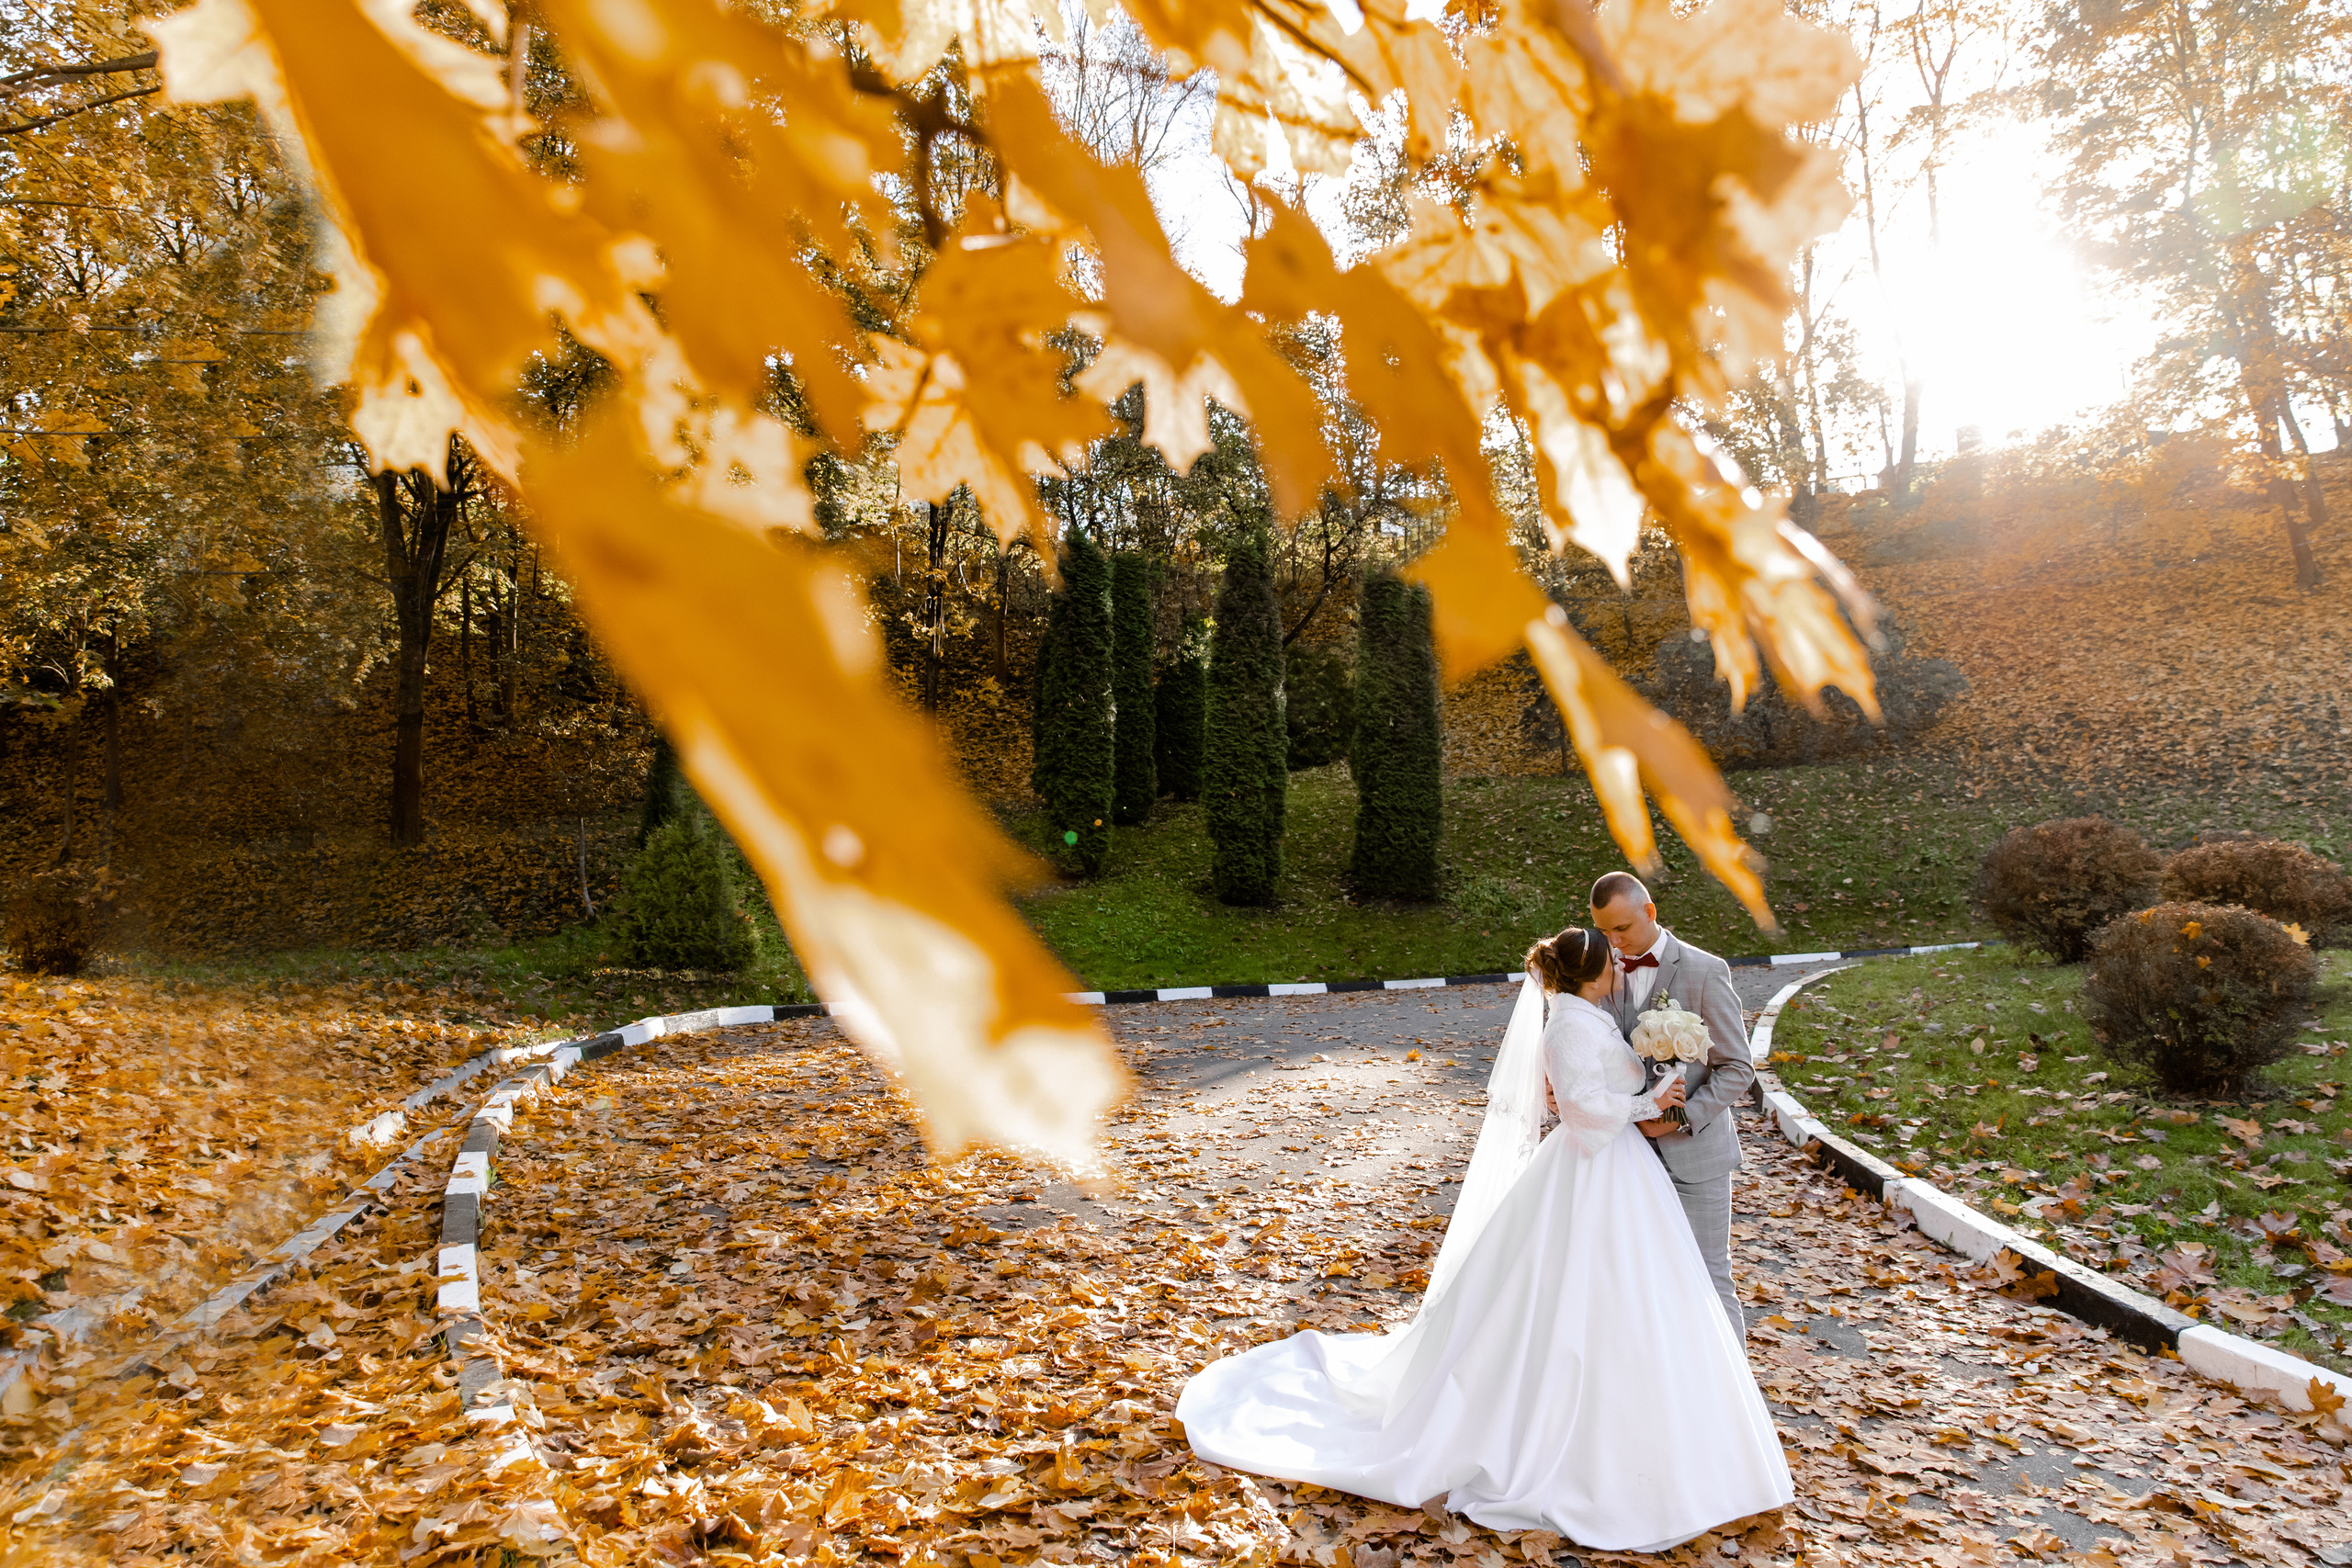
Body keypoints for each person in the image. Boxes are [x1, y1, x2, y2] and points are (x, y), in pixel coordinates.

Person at [1178, 928, 1793, 1552]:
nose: (1620, 967)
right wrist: (1651, 1099)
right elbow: (1583, 1111)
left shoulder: (1585, 1012)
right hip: (1595, 1168)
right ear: (1594, 973)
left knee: (1635, 1296)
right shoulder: (1569, 1025)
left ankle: (1667, 1430)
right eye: (1611, 961)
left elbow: (1590, 1089)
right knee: (1582, 1296)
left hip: (1621, 1173)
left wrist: (1649, 1084)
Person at [1587, 871, 1755, 1335]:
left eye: (1623, 929)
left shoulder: (1703, 970)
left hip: (1694, 1158)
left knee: (1709, 1277)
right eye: (1604, 932)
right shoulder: (1601, 975)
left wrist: (1679, 1119)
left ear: (1650, 912)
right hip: (1626, 1156)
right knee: (1637, 1283)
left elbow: (1738, 1068)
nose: (1615, 942)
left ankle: (1732, 1403)